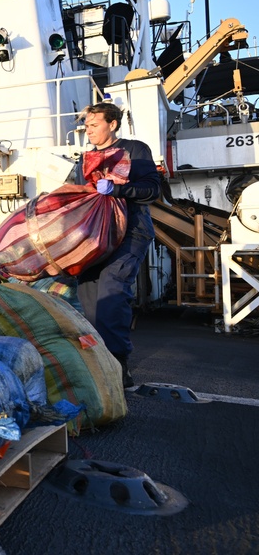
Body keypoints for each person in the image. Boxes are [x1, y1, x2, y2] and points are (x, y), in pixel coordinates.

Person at [76, 101, 161, 389]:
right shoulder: (84, 159)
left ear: (112, 124)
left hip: (130, 232)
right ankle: (96, 364)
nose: (88, 130)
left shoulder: (135, 150)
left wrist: (119, 190)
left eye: (94, 124)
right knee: (88, 301)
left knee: (111, 293)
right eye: (86, 125)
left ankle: (117, 367)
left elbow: (152, 190)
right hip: (93, 239)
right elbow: (72, 193)